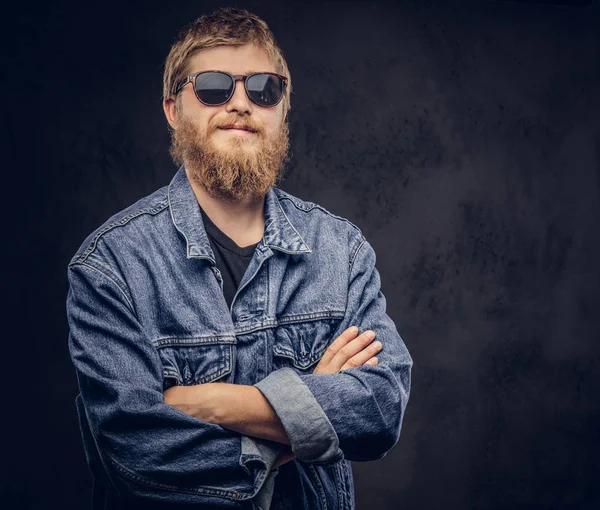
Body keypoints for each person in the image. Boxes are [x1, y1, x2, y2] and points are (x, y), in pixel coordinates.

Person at [66, 6, 413, 510]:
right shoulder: (111, 265)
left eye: (262, 88)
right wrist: (303, 416)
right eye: (212, 87)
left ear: (283, 106)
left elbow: (380, 409)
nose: (240, 104)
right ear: (172, 109)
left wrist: (215, 404)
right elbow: (135, 454)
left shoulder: (342, 250)